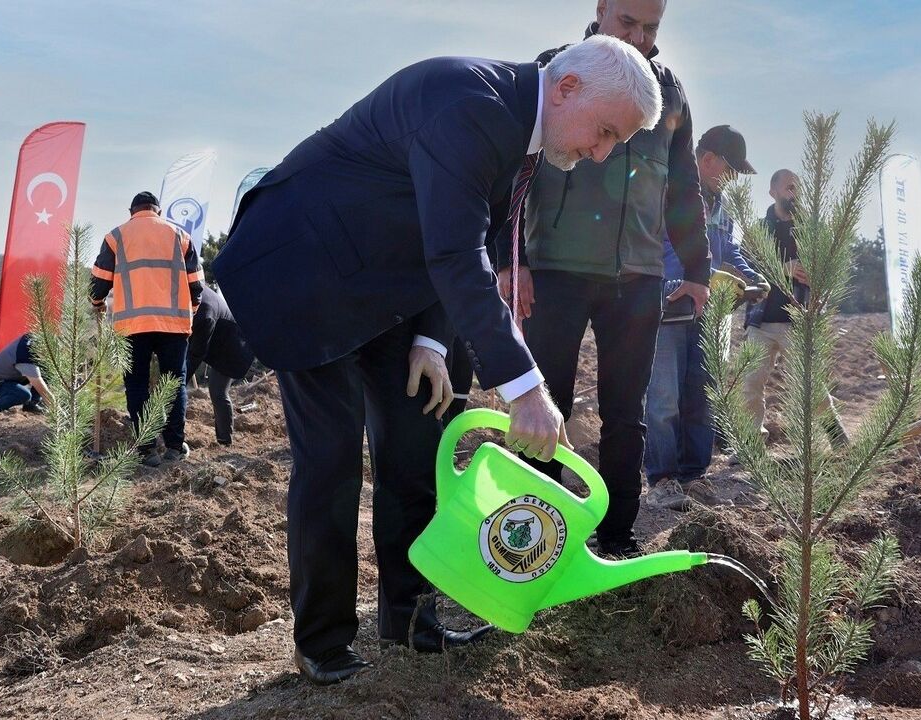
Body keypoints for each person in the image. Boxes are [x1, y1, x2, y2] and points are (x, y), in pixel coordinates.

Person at [212, 37, 662, 684]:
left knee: (414, 446)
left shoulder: (521, 135)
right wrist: (525, 389)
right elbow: (456, 257)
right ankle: (324, 642)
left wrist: (431, 341)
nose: (601, 153)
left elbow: (463, 237)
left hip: (389, 287)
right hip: (305, 272)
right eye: (607, 131)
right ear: (567, 89)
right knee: (331, 461)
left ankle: (409, 619)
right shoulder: (468, 103)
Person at [496, 0, 712, 557]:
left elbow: (683, 187)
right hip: (554, 273)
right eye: (628, 23)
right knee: (546, 405)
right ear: (601, 8)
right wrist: (511, 260)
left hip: (637, 279)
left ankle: (616, 536)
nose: (639, 37)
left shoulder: (671, 93)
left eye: (651, 27)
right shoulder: (556, 69)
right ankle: (530, 539)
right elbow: (513, 172)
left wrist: (696, 270)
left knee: (625, 414)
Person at [644, 125, 768, 511]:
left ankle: (694, 475)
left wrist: (751, 275)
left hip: (707, 311)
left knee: (703, 394)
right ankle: (662, 480)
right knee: (664, 398)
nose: (733, 179)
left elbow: (729, 247)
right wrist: (691, 278)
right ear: (708, 159)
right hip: (667, 307)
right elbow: (656, 245)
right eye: (730, 169)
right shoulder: (670, 191)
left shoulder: (721, 207)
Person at [90, 191, 203, 467]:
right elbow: (196, 283)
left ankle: (147, 450)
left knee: (137, 385)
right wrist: (192, 310)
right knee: (173, 383)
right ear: (158, 211)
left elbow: (99, 282)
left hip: (132, 326)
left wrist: (97, 303)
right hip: (173, 325)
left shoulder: (116, 237)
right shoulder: (180, 236)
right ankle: (174, 447)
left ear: (131, 212)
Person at [740, 169, 848, 445]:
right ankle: (751, 445)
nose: (795, 193)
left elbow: (832, 266)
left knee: (809, 384)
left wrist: (818, 276)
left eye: (798, 187)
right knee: (750, 384)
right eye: (789, 187)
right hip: (761, 320)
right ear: (773, 192)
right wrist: (782, 268)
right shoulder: (757, 230)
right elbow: (745, 268)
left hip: (799, 320)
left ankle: (837, 439)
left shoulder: (814, 230)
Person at [187, 286, 255, 446]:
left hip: (234, 347)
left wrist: (180, 380)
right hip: (220, 344)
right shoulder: (195, 291)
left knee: (218, 391)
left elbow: (196, 354)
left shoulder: (205, 311)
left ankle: (225, 440)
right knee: (217, 391)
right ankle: (224, 438)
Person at [0, 333, 52, 414]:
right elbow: (39, 385)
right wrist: (55, 407)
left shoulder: (32, 338)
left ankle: (32, 405)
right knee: (23, 395)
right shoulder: (25, 356)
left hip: (13, 377)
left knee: (47, 369)